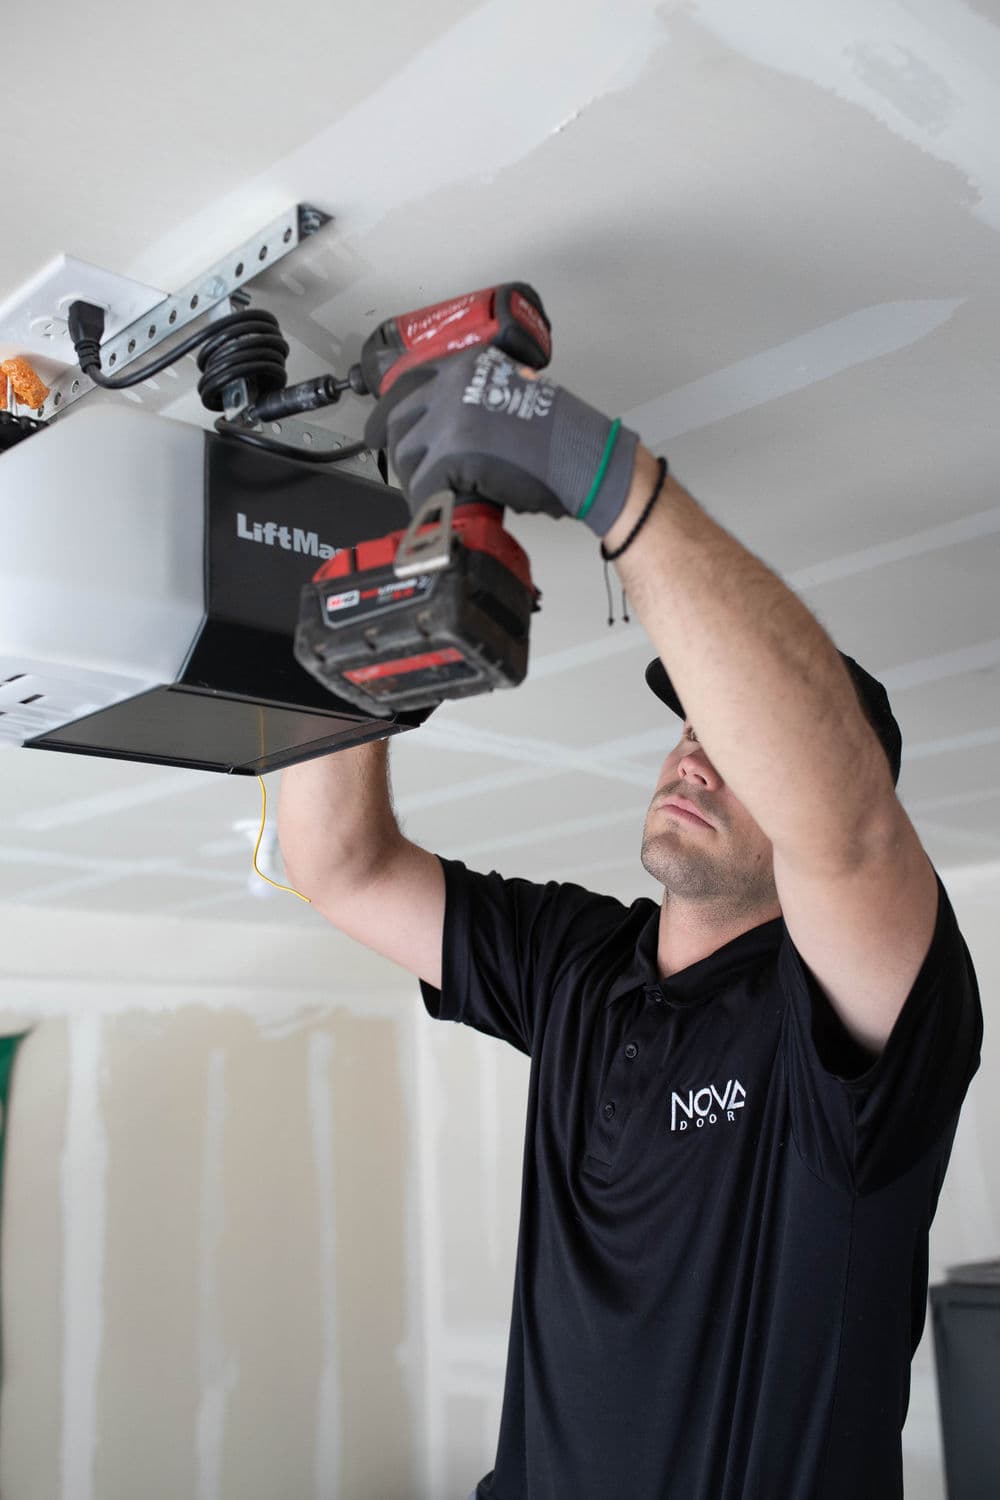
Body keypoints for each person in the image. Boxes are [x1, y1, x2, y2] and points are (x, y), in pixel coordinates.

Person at [278, 346, 983, 1500]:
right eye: (689, 720)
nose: (698, 746)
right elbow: (341, 869)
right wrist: (350, 652)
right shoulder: (575, 964)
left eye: (738, 738)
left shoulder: (851, 1017)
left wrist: (599, 474)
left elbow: (845, 834)